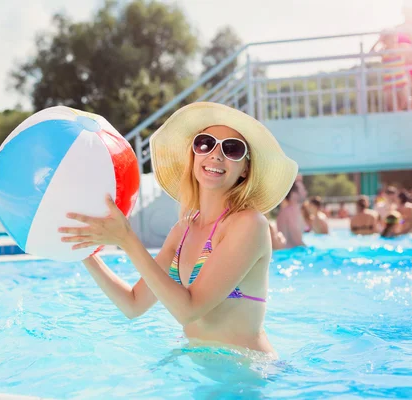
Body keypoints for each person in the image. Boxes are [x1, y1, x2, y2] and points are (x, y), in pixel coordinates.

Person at [58, 102, 297, 356]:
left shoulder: (249, 225)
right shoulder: (182, 230)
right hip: (198, 372)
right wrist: (83, 247)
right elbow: (133, 304)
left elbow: (189, 309)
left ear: (245, 168)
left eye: (232, 149)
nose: (216, 155)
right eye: (205, 143)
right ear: (193, 155)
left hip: (246, 375)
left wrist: (127, 239)